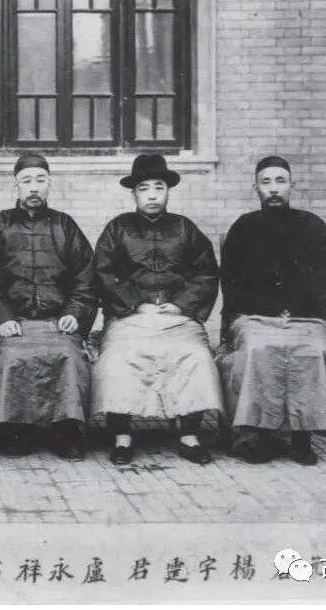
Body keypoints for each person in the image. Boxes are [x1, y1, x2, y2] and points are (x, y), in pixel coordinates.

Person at [217, 155, 326, 465]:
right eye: (266, 182)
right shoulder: (243, 227)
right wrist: (247, 316)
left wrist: (300, 305)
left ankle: (301, 436)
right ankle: (260, 434)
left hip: (304, 315)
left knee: (311, 351)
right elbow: (231, 282)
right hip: (255, 318)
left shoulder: (312, 225)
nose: (273, 189)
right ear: (255, 188)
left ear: (292, 185)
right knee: (258, 349)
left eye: (280, 181)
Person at [91, 154, 223, 466]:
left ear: (167, 191)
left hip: (177, 318)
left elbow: (206, 272)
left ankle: (189, 434)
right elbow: (103, 272)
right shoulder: (118, 228)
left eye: (158, 187)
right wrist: (134, 302)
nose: (152, 195)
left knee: (196, 356)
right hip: (130, 317)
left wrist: (181, 305)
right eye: (144, 188)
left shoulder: (185, 228)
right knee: (118, 358)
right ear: (134, 194)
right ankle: (122, 436)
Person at [0, 153, 98, 458]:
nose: (33, 188)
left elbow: (86, 277)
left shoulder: (65, 225)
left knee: (67, 357)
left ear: (49, 185)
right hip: (15, 323)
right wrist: (1, 317)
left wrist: (74, 313)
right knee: (12, 358)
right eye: (26, 181)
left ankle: (65, 429)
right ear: (14, 186)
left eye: (40, 180)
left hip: (56, 323)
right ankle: (15, 429)